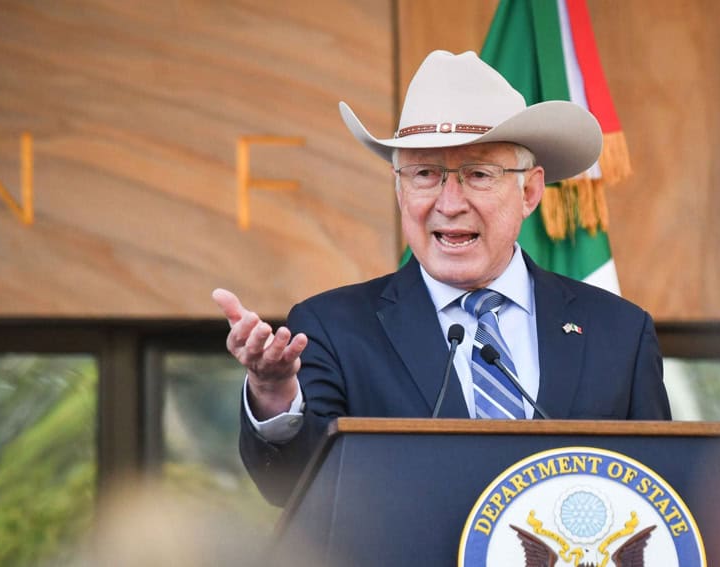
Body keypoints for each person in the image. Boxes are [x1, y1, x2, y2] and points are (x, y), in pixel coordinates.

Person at [213, 50, 671, 505]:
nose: (449, 203)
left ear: (529, 190)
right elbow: (293, 490)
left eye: (477, 174)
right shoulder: (332, 327)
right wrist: (272, 392)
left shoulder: (620, 333)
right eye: (425, 174)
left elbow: (659, 497)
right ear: (398, 188)